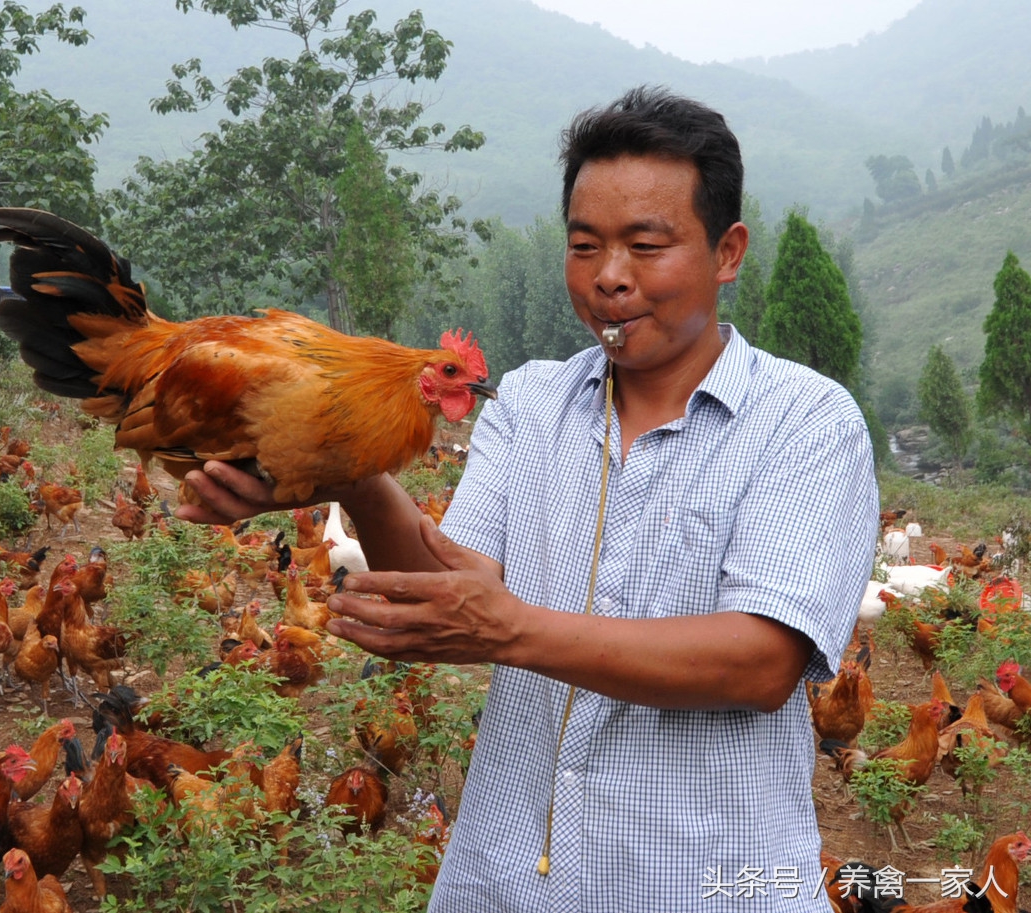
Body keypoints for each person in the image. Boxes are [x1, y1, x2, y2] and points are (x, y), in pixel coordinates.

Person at [177, 86, 879, 912]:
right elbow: (450, 584)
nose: (611, 278)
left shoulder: (806, 421)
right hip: (504, 880)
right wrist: (353, 476)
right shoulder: (532, 402)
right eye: (585, 247)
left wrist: (509, 626)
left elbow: (761, 661)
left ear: (727, 252)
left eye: (646, 246)